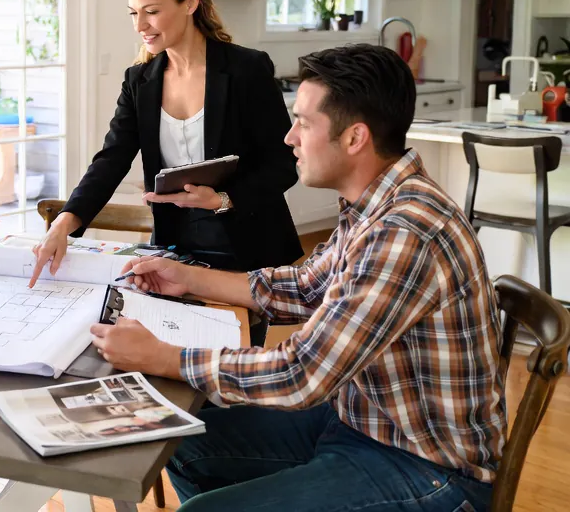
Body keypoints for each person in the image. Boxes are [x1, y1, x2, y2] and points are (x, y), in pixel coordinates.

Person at [90, 44, 506, 512]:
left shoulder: (405, 232)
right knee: (183, 440)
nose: (289, 138)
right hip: (359, 422)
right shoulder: (376, 202)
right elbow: (304, 286)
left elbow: (301, 374)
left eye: (304, 124)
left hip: (428, 469)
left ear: (355, 138)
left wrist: (164, 356)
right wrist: (184, 277)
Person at [31, 0, 302, 295]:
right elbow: (112, 159)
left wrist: (222, 198)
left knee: (236, 346)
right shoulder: (139, 80)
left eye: (152, 12)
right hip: (174, 246)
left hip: (249, 247)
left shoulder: (246, 70)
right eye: (134, 13)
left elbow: (283, 164)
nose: (139, 25)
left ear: (190, 3)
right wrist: (64, 223)